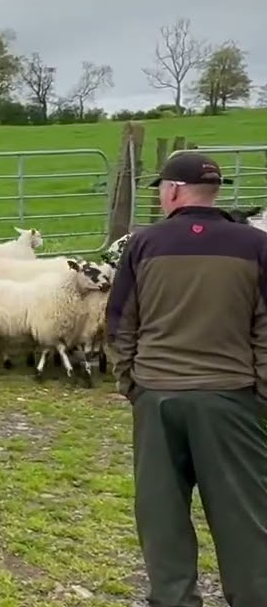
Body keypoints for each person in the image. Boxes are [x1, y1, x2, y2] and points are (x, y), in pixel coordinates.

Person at [106, 151, 267, 607]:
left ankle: (173, 599)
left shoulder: (144, 244)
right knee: (244, 510)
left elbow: (120, 320)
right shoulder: (255, 245)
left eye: (161, 188)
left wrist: (131, 383)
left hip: (158, 395)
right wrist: (261, 392)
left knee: (162, 510)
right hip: (230, 396)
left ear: (173, 190)